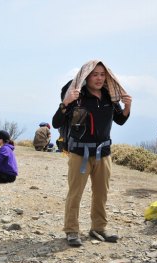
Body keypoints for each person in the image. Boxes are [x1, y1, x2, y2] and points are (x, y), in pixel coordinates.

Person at [52, 60, 132, 247]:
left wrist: (127, 107)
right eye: (95, 74)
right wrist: (65, 102)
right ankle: (72, 231)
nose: (99, 78)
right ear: (86, 76)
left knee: (101, 193)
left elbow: (120, 120)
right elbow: (56, 122)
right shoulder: (77, 97)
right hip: (80, 153)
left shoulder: (108, 96)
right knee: (75, 193)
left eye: (102, 74)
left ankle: (99, 228)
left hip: (103, 153)